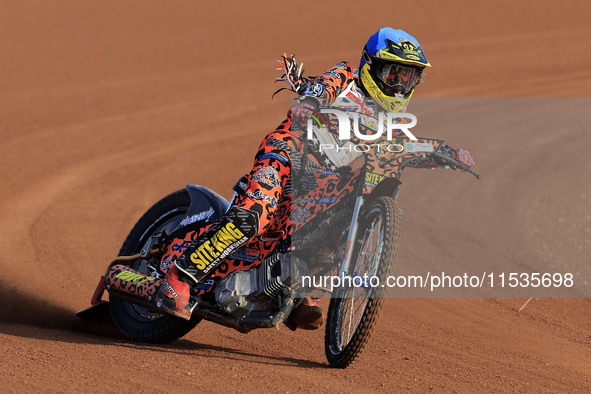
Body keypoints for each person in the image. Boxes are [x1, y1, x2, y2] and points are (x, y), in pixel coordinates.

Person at [154, 27, 474, 328]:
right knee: (253, 217)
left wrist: (444, 152)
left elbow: (402, 147)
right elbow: (319, 87)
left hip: (319, 185)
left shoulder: (391, 122)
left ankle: (290, 285)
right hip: (287, 154)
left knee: (344, 218)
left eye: (409, 78)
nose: (399, 86)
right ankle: (181, 278)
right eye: (393, 74)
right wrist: (309, 101)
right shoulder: (346, 76)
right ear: (371, 66)